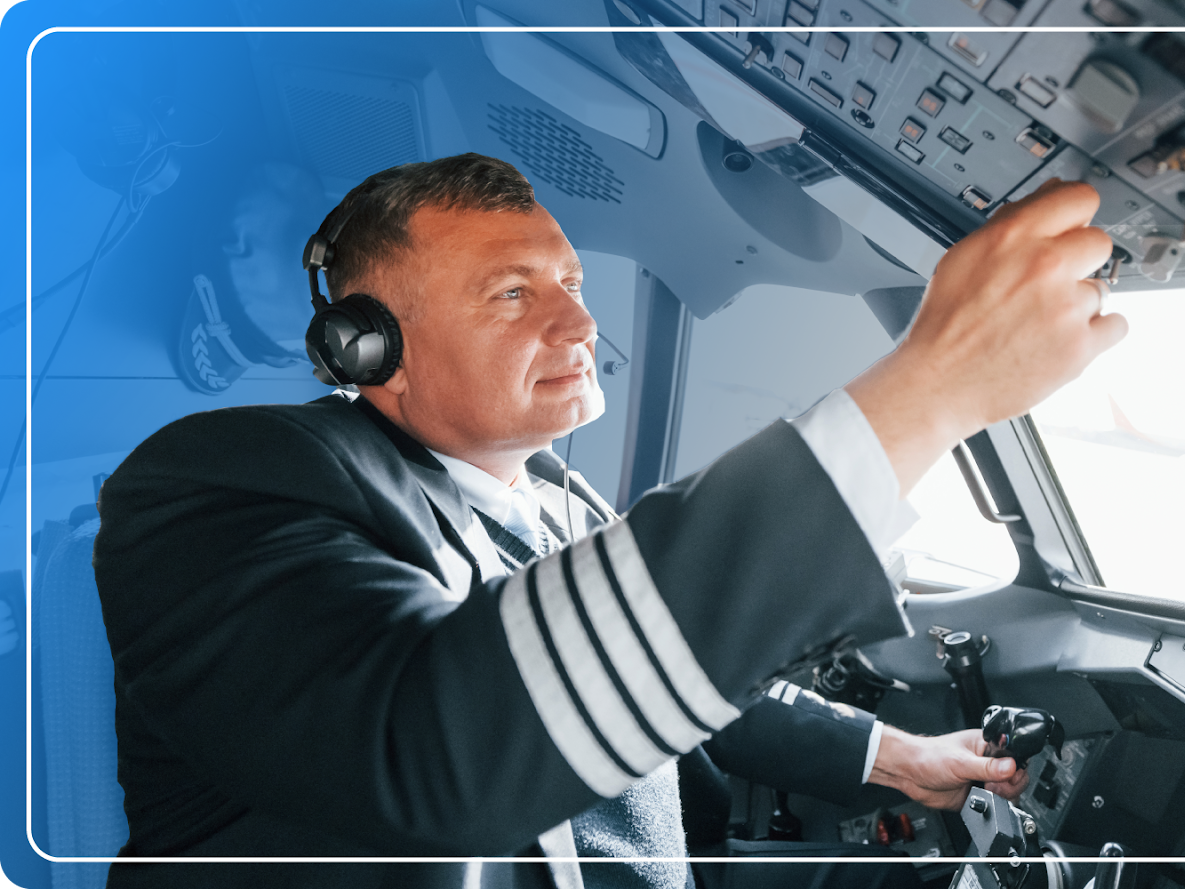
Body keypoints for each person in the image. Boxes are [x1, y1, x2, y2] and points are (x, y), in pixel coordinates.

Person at [93, 153, 1125, 888]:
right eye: (510, 294)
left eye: (573, 283)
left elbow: (672, 676)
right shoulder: (220, 483)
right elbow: (440, 737)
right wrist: (927, 390)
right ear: (374, 350)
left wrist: (893, 755)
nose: (579, 323)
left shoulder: (560, 501)